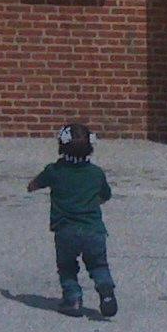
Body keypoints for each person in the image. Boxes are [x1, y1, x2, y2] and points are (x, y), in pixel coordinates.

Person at [27, 122, 117, 318]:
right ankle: (106, 291)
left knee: (67, 267)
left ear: (61, 145)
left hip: (65, 230)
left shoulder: (54, 171)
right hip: (94, 230)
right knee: (98, 265)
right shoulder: (96, 173)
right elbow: (105, 195)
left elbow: (33, 185)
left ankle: (73, 299)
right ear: (91, 147)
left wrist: (33, 186)